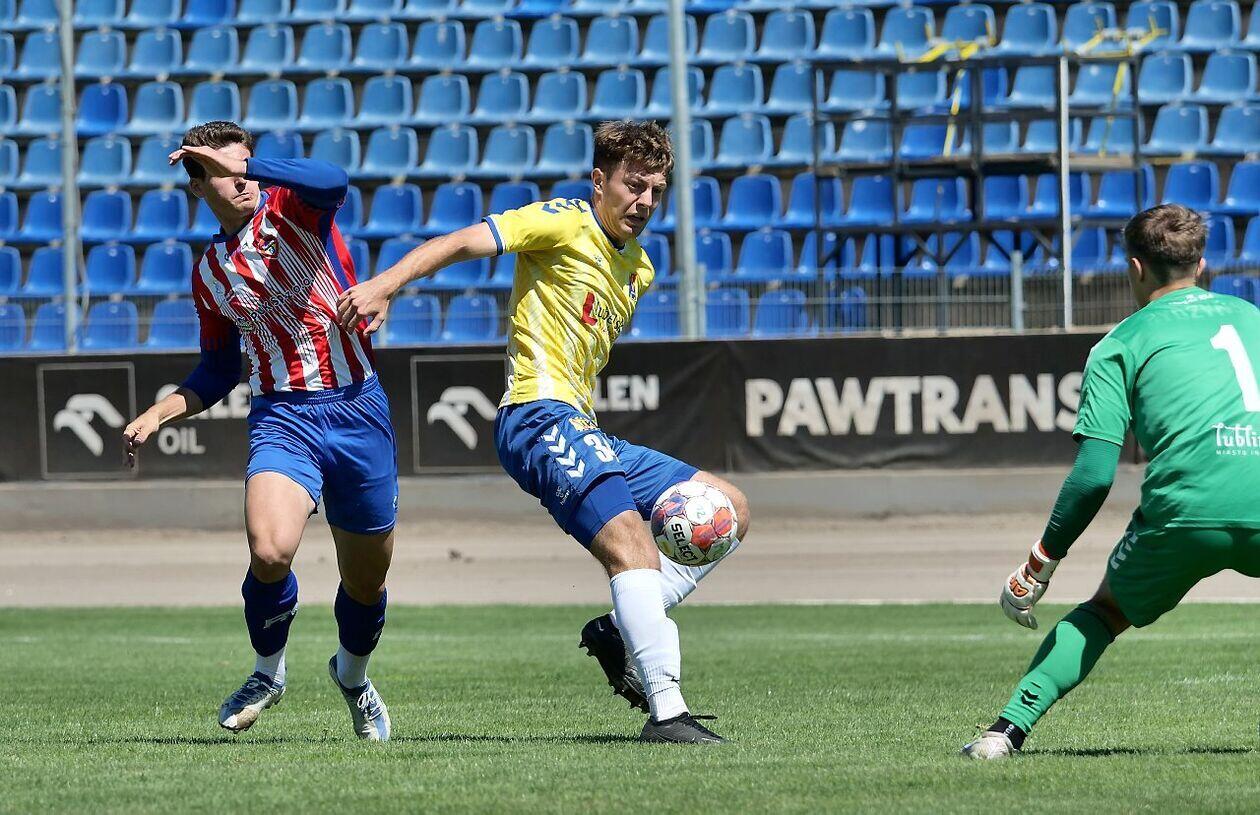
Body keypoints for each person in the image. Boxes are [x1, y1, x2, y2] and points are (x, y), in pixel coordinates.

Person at [337, 120, 751, 744]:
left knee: (730, 508)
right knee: (632, 548)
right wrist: (384, 284)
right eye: (633, 185)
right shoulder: (561, 221)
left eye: (656, 190)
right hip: (537, 415)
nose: (644, 201)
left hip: (583, 424)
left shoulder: (639, 268)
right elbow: (462, 241)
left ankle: (620, 629)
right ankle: (668, 713)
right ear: (599, 182)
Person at [122, 121, 397, 741]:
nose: (241, 179)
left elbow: (333, 178)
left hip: (359, 408)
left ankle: (353, 675)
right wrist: (160, 412)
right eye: (222, 172)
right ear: (198, 187)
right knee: (270, 551)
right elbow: (219, 369)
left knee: (366, 581)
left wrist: (242, 163)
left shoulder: (296, 209)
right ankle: (267, 672)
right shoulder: (210, 273)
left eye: (244, 165)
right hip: (282, 417)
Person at [964, 204, 1260, 759]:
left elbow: (1094, 476)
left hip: (1186, 512)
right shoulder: (1252, 317)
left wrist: (1039, 564)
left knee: (1104, 612)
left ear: (1134, 267)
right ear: (1201, 264)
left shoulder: (1120, 343)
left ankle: (1004, 734)